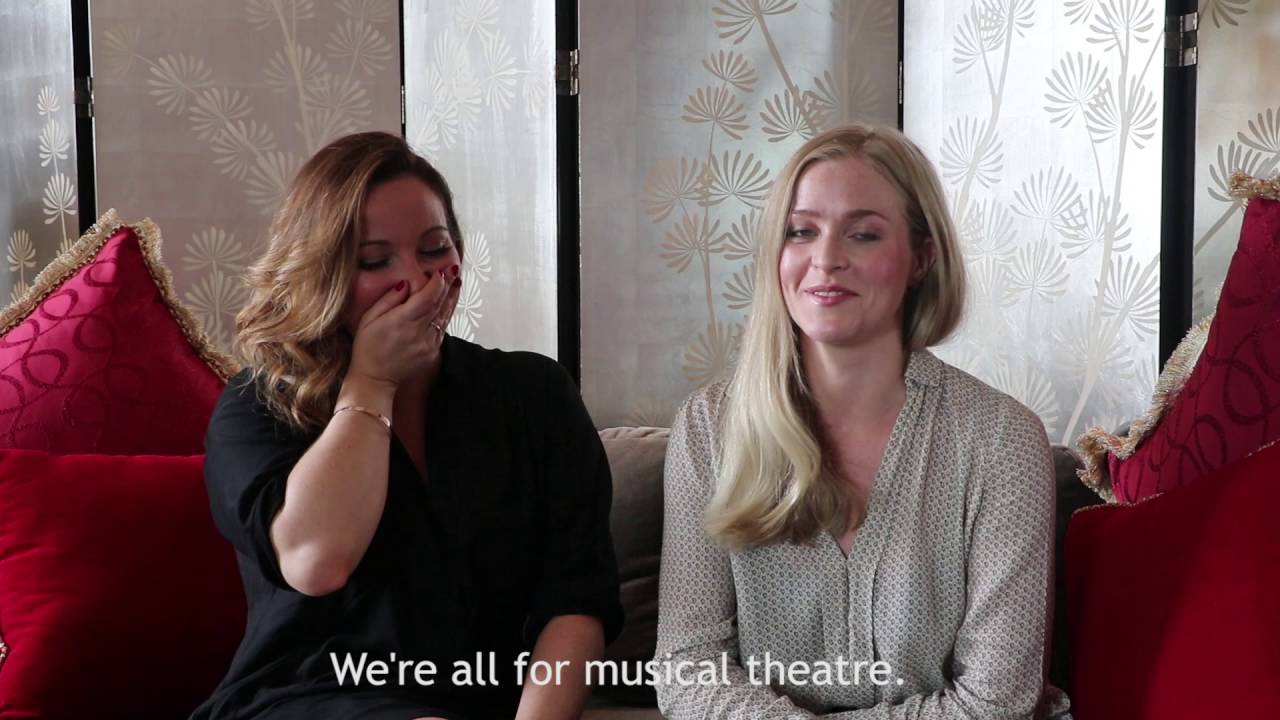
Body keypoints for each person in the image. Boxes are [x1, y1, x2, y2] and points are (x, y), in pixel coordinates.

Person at [193, 131, 621, 720]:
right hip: (308, 698)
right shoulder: (259, 406)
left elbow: (577, 602)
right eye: (376, 261)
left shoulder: (533, 395)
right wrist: (372, 382)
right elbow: (318, 563)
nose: (418, 282)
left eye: (434, 249)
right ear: (324, 273)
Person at [653, 124, 1071, 719]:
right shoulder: (708, 428)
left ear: (921, 258)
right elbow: (687, 670)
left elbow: (995, 703)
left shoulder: (1002, 440)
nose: (826, 259)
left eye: (864, 234)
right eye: (801, 231)